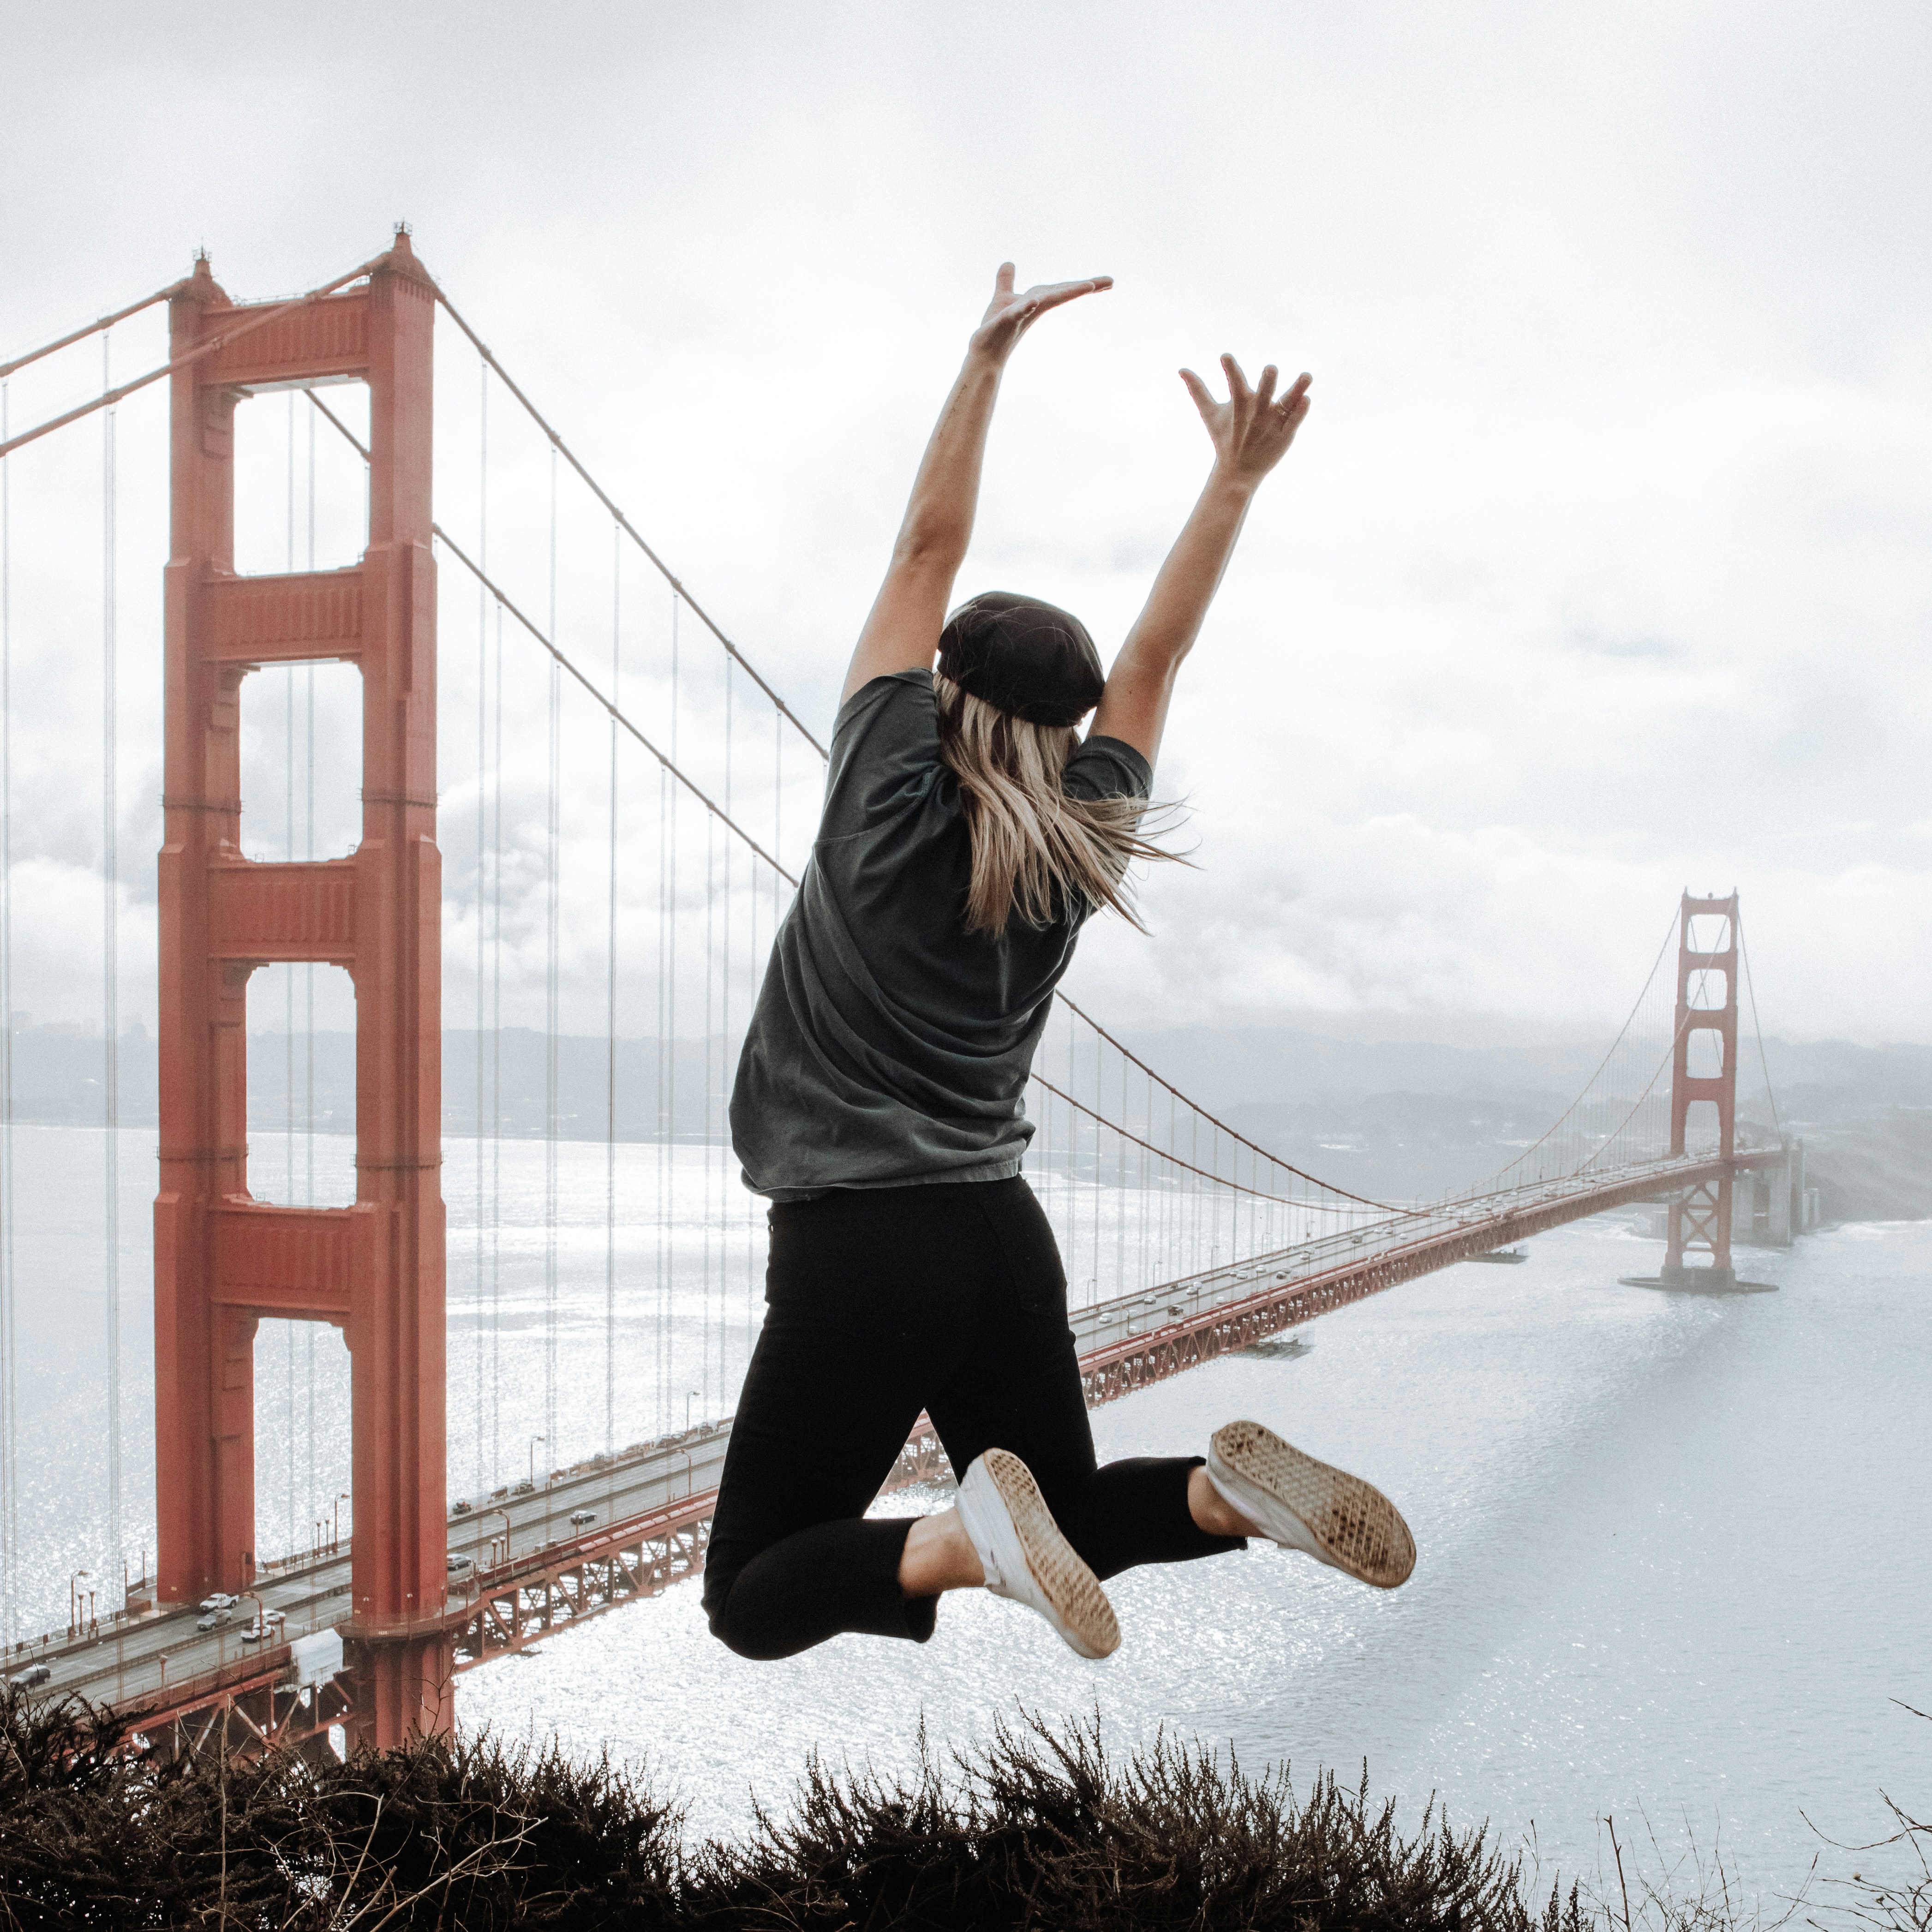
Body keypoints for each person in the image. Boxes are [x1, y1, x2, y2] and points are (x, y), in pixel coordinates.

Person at [706, 264, 1414, 1663]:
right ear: (1070, 727)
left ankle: (966, 1539)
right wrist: (1235, 480)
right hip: (997, 1239)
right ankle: (1227, 1496)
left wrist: (983, 360)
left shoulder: (880, 806)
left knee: (750, 1595)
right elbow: (1153, 655)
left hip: (859, 1247)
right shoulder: (1079, 846)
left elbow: (923, 551)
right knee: (1078, 1513)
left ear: (939, 696)